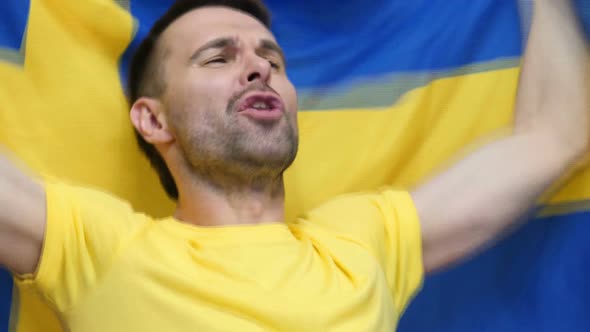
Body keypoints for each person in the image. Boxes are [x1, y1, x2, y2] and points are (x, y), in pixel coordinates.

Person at [0, 0, 587, 331]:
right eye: (218, 58)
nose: (260, 69)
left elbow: (557, 134)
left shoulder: (364, 241)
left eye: (272, 59)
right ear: (153, 121)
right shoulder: (100, 247)